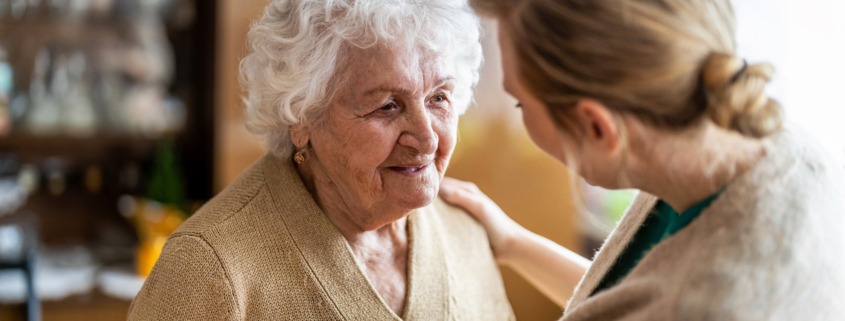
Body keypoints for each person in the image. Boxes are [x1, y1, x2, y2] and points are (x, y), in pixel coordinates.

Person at [440, 0, 845, 319]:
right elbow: (633, 297)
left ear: (596, 127)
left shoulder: (720, 304)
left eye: (519, 103)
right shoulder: (772, 148)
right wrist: (512, 242)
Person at [127, 0, 515, 320]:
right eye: (387, 106)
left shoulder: (466, 229)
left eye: (439, 98)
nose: (427, 138)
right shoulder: (207, 270)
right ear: (301, 116)